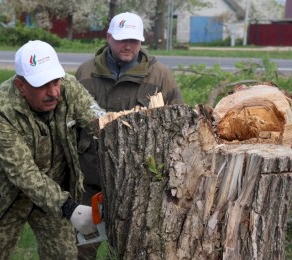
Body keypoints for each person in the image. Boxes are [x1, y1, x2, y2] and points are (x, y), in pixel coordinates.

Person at [0, 40, 106, 259]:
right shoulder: (0, 110)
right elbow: (22, 171)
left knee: (64, 255)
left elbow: (98, 121)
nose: (53, 92)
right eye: (42, 86)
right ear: (21, 86)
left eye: (55, 82)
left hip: (53, 190)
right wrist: (69, 208)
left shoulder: (69, 86)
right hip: (2, 198)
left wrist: (119, 132)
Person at [75, 12, 184, 257]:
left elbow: (179, 125)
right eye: (122, 39)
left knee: (134, 247)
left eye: (134, 40)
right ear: (109, 37)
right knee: (81, 248)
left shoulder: (160, 76)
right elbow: (70, 124)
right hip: (92, 180)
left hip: (139, 182)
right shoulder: (85, 72)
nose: (128, 46)